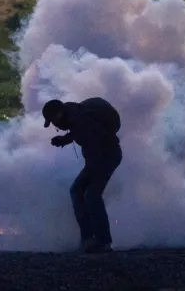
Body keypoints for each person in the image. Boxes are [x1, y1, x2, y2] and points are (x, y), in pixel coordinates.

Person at [43, 97, 123, 253]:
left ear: (59, 115)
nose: (54, 125)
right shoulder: (76, 114)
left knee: (92, 195)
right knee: (77, 191)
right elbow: (79, 132)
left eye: (53, 121)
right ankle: (89, 239)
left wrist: (92, 170)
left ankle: (102, 242)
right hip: (103, 156)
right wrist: (64, 140)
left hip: (106, 157)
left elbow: (90, 145)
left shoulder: (81, 120)